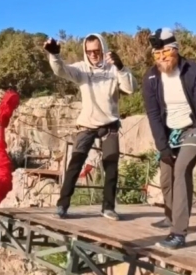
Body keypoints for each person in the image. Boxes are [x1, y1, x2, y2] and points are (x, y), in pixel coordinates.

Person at [43, 33, 137, 220]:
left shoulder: (113, 69)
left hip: (109, 124)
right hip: (86, 125)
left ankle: (108, 208)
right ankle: (62, 205)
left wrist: (121, 67)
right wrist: (54, 56)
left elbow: (130, 88)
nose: (93, 54)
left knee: (111, 165)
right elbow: (61, 70)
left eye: (96, 51)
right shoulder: (82, 70)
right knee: (75, 163)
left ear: (103, 49)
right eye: (89, 51)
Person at [142, 28, 196, 249]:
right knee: (166, 178)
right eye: (157, 55)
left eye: (166, 53)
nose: (162, 58)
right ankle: (170, 216)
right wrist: (162, 147)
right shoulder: (151, 79)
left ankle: (178, 233)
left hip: (193, 128)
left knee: (181, 169)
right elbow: (154, 115)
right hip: (169, 132)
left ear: (175, 50)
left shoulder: (195, 73)